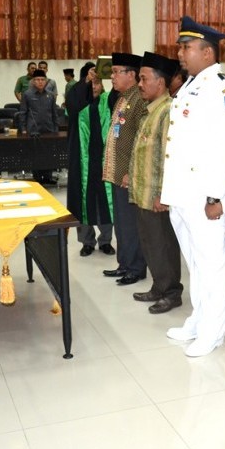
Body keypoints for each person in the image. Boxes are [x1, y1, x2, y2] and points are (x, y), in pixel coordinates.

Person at [162, 16, 225, 357]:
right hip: (183, 192)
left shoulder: (221, 88)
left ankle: (213, 332)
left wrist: (214, 196)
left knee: (212, 264)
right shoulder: (193, 85)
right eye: (181, 46)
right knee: (195, 261)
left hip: (205, 194)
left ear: (208, 53)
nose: (181, 52)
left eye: (187, 47)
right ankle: (199, 318)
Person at [130, 52, 184, 314]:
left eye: (144, 78)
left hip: (157, 196)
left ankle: (172, 292)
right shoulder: (150, 111)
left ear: (160, 83)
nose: (140, 83)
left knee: (163, 243)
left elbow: (169, 156)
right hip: (143, 192)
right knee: (150, 242)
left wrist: (164, 193)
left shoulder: (168, 111)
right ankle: (158, 286)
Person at [101, 53, 149, 286]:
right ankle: (124, 263)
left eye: (116, 71)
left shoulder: (138, 100)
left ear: (131, 75)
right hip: (116, 172)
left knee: (131, 223)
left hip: (128, 174)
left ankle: (136, 267)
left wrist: (132, 171)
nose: (112, 76)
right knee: (121, 222)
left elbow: (141, 141)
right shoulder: (122, 98)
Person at [71, 75, 115, 256]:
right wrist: (83, 85)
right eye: (90, 84)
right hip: (84, 161)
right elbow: (70, 102)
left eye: (97, 83)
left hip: (104, 160)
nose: (94, 87)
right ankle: (86, 242)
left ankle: (105, 241)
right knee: (84, 201)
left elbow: (117, 94)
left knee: (105, 200)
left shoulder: (107, 101)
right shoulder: (79, 104)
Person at [19, 69, 59, 184]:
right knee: (35, 153)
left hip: (49, 129)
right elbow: (23, 112)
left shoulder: (50, 95)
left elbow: (54, 113)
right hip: (33, 130)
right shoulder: (27, 94)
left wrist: (56, 129)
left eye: (42, 79)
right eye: (37, 80)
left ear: (46, 81)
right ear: (33, 81)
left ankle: (48, 176)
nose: (40, 82)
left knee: (49, 153)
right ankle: (37, 177)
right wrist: (23, 128)